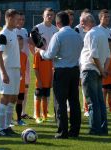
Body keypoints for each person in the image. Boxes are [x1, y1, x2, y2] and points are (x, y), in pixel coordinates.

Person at [38, 11, 83, 139]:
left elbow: (49, 55)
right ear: (69, 21)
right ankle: (75, 130)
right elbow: (81, 48)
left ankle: (62, 131)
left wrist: (41, 51)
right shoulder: (77, 35)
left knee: (60, 102)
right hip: (74, 70)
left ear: (57, 23)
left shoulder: (58, 36)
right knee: (74, 101)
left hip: (61, 71)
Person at [80, 14, 110, 135]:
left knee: (92, 102)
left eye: (83, 21)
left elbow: (93, 55)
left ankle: (95, 129)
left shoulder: (91, 34)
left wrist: (101, 70)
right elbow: (108, 56)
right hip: (98, 70)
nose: (81, 24)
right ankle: (103, 128)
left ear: (90, 22)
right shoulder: (102, 33)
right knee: (100, 102)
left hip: (90, 69)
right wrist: (103, 70)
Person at [0, 9, 20, 136]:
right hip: (7, 70)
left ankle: (8, 126)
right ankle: (1, 128)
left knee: (13, 98)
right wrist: (4, 73)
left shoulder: (14, 32)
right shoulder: (3, 34)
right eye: (16, 19)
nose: (18, 21)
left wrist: (19, 70)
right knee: (5, 98)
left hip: (15, 70)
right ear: (9, 18)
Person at [32, 7, 58, 119]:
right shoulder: (37, 28)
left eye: (51, 15)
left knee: (47, 87)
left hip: (51, 59)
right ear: (43, 15)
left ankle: (45, 112)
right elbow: (31, 41)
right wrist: (34, 52)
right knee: (39, 90)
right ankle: (36, 113)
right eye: (48, 14)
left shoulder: (56, 29)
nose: (49, 16)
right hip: (40, 58)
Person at [14, 12, 33, 119]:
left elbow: (29, 45)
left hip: (26, 62)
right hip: (16, 63)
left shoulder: (25, 31)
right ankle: (12, 114)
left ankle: (23, 112)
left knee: (25, 88)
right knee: (14, 90)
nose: (21, 21)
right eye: (19, 19)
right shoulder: (12, 31)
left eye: (23, 19)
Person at [33, 38, 53, 124]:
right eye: (42, 43)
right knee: (38, 97)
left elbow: (52, 69)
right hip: (40, 82)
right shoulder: (37, 55)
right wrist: (39, 80)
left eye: (44, 43)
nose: (43, 45)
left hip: (48, 81)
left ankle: (44, 116)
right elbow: (35, 69)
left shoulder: (49, 55)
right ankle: (37, 116)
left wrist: (51, 79)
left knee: (45, 97)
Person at [16, 35, 27, 125]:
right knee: (10, 101)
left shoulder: (24, 55)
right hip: (13, 82)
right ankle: (10, 119)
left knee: (20, 100)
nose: (21, 45)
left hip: (21, 82)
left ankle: (19, 119)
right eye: (19, 43)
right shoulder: (12, 55)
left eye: (22, 43)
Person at [102, 39, 111, 112]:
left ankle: (110, 107)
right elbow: (104, 68)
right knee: (104, 92)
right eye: (110, 45)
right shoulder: (104, 55)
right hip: (106, 78)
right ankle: (103, 107)